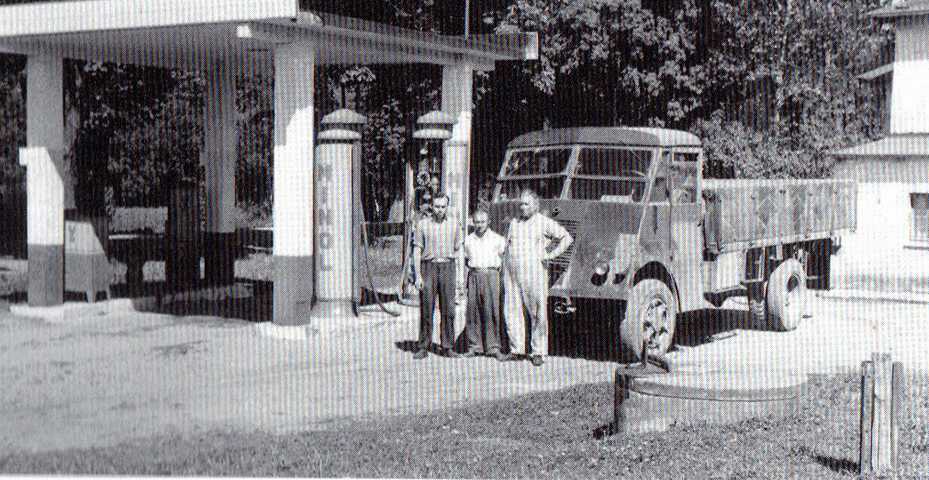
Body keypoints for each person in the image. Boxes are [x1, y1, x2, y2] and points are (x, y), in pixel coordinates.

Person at [502, 190, 573, 366]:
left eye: (526, 204)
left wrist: (550, 255)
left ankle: (538, 351)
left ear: (535, 205)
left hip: (533, 272)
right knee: (512, 310)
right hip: (512, 272)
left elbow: (566, 238)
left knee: (537, 312)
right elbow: (507, 245)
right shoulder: (514, 223)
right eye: (521, 204)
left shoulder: (543, 221)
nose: (522, 207)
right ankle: (517, 349)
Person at [411, 193, 462, 359]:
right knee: (427, 308)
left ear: (447, 207)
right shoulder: (422, 224)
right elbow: (417, 250)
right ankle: (423, 346)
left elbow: (459, 250)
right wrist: (417, 275)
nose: (440, 210)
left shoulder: (454, 224)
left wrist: (460, 276)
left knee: (449, 309)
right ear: (432, 206)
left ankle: (448, 346)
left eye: (443, 206)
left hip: (448, 266)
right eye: (437, 206)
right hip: (428, 267)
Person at [462, 209, 507, 361]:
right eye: (476, 222)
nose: (479, 225)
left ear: (489, 222)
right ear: (473, 223)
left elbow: (504, 259)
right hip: (474, 274)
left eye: (482, 222)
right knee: (473, 310)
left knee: (492, 310)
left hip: (491, 275)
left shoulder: (498, 239)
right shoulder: (468, 240)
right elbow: (466, 259)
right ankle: (474, 346)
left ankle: (493, 347)